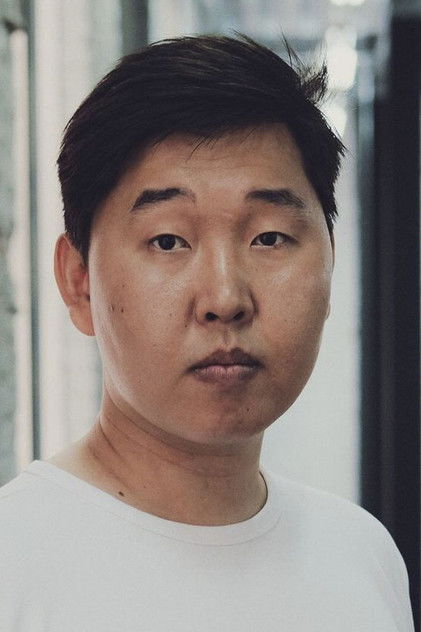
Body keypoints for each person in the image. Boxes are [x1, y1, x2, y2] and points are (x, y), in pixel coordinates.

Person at [0, 34, 415, 631]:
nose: (225, 299)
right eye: (169, 241)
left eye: (268, 237)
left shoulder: (361, 556)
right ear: (79, 282)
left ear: (330, 262)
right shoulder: (16, 564)